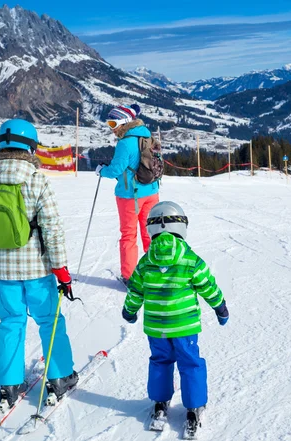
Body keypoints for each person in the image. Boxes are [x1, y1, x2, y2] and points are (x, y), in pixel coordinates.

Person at [0, 119, 77, 411]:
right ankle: (60, 377)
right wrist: (62, 272)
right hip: (39, 272)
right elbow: (52, 229)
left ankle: (9, 385)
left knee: (10, 324)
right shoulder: (38, 181)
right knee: (50, 322)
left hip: (2, 274)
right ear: (31, 147)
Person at [121, 201, 229, 434]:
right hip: (184, 327)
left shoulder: (145, 262)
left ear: (152, 229)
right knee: (190, 363)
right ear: (180, 226)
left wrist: (129, 311)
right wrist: (220, 306)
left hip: (156, 328)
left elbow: (136, 291)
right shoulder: (190, 259)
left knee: (160, 361)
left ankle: (160, 403)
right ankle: (194, 407)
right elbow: (207, 285)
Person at [96, 104, 160, 285]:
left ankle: (130, 277)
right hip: (152, 191)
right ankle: (156, 272)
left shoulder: (125, 143)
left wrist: (101, 170)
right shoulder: (147, 135)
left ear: (123, 122)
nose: (111, 127)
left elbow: (116, 169)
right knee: (152, 232)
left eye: (112, 123)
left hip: (130, 195)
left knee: (129, 236)